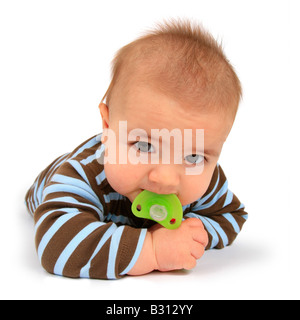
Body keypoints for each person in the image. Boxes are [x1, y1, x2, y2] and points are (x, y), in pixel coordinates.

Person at [25, 19, 248, 280]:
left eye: (193, 156)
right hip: (48, 182)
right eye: (144, 146)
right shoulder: (82, 174)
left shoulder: (205, 180)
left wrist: (191, 232)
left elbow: (231, 216)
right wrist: (151, 249)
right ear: (108, 128)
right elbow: (56, 244)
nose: (166, 178)